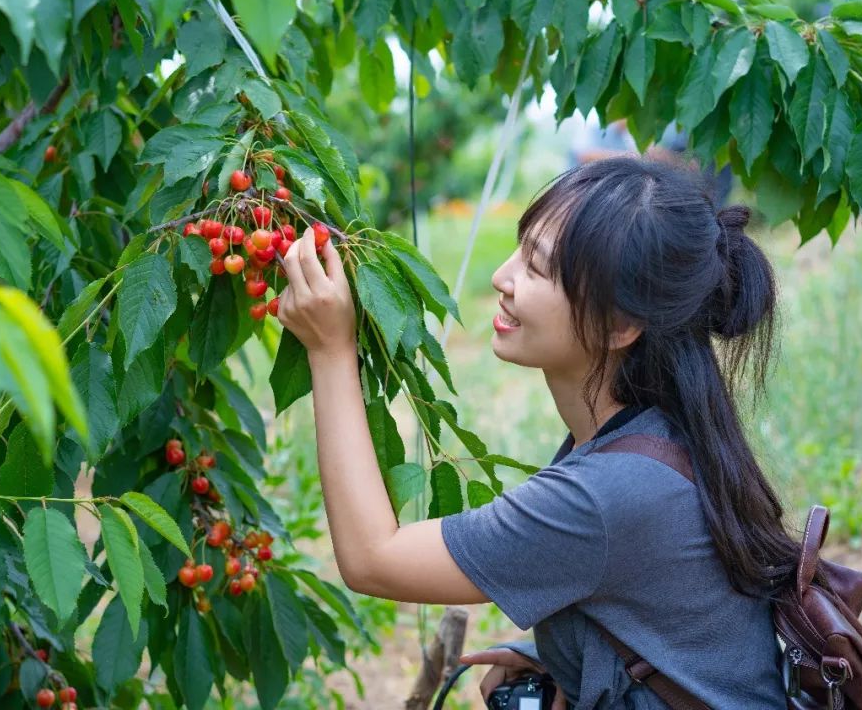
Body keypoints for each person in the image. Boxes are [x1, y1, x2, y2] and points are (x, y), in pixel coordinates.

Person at [274, 155, 799, 709]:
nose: (502, 277)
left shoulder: (608, 493)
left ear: (620, 324)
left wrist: (331, 350)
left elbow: (372, 559)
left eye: (537, 268)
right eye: (519, 249)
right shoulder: (657, 433)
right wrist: (571, 659)